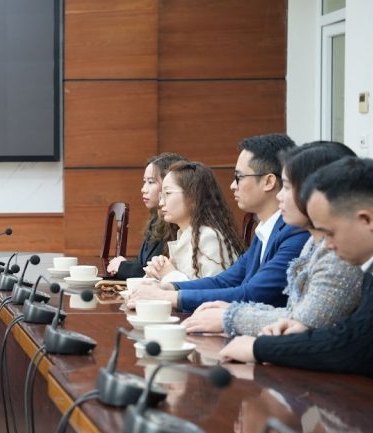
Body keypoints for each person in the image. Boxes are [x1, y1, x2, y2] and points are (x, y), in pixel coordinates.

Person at [220, 157, 373, 383]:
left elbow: (354, 347)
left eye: (329, 233)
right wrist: (305, 334)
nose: (327, 245)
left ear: (367, 219)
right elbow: (352, 329)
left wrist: (260, 348)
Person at [183, 142, 363, 335]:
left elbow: (304, 322)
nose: (279, 196)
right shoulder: (312, 243)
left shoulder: (337, 253)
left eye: (287, 187)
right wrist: (232, 311)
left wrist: (231, 317)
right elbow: (293, 313)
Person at [128, 133, 308, 313]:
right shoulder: (265, 231)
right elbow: (224, 281)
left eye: (239, 177)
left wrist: (170, 296)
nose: (232, 186)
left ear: (268, 182)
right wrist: (169, 287)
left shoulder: (294, 232)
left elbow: (253, 293)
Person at [142, 160, 242, 282]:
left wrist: (170, 274)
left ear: (193, 196)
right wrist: (157, 272)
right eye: (161, 195)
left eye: (168, 193)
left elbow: (212, 290)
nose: (161, 202)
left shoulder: (209, 237)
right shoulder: (184, 233)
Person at [107, 152, 186, 279]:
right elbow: (144, 264)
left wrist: (123, 267)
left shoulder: (177, 223)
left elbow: (159, 273)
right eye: (144, 182)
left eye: (151, 182)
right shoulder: (155, 219)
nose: (143, 189)